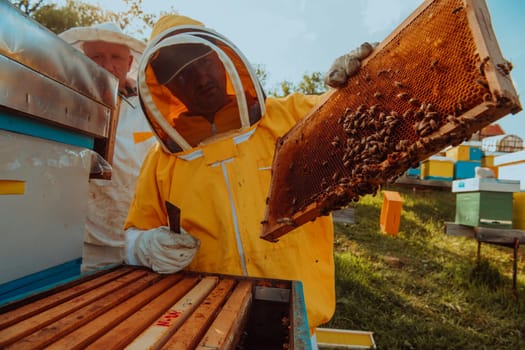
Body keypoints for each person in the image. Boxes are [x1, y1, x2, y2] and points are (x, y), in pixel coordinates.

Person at [123, 14, 374, 339]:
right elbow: (131, 236)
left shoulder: (292, 116)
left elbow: (370, 114)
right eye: (182, 76)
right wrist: (144, 245)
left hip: (296, 324)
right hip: (206, 328)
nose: (201, 79)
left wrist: (367, 80)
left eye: (204, 62)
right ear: (167, 90)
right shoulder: (162, 163)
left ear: (222, 58)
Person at [59, 23, 156, 272]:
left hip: (140, 243)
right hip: (83, 245)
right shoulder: (64, 106)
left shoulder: (150, 111)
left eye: (115, 57)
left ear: (129, 62)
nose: (107, 65)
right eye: (97, 57)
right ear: (84, 60)